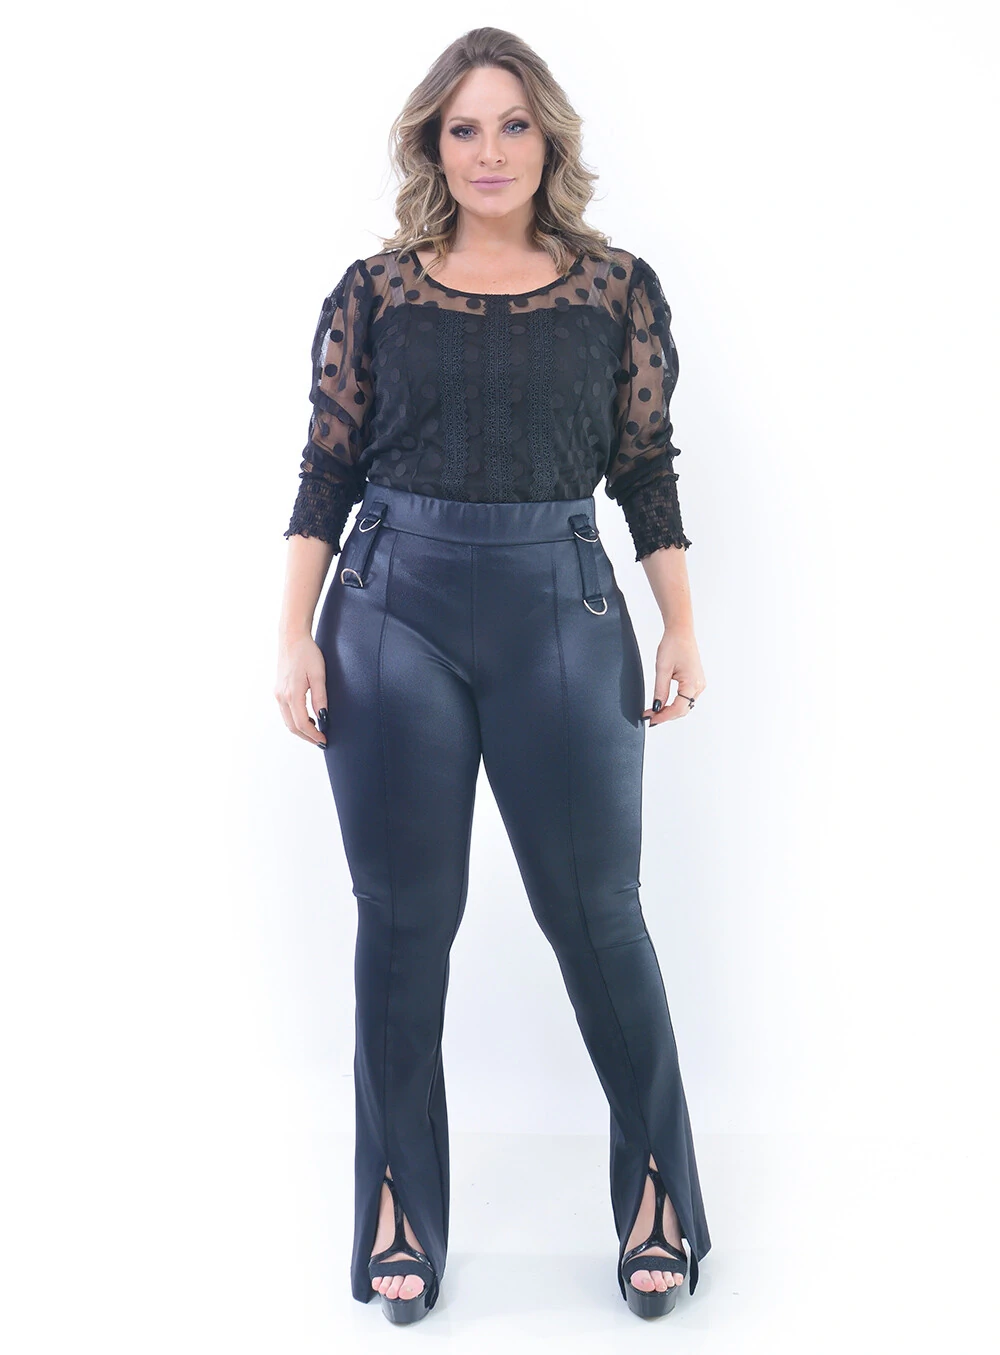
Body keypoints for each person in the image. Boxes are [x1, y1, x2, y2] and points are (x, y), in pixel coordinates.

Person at [275, 26, 711, 1325]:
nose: (489, 150)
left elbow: (646, 470)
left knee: (599, 914)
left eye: (512, 124)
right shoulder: (375, 291)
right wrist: (291, 632)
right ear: (432, 144)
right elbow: (325, 469)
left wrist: (682, 624)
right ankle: (396, 1207)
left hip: (560, 609)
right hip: (390, 610)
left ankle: (660, 1196)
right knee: (404, 922)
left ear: (548, 138)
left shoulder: (615, 290)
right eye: (462, 127)